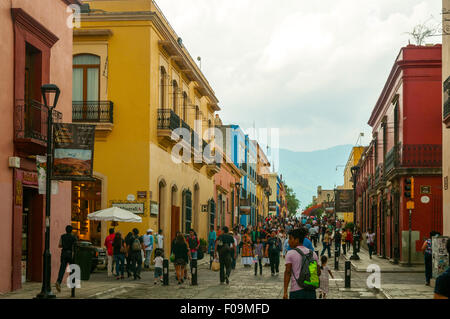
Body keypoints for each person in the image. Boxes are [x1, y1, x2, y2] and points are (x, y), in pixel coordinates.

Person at [283, 228, 321, 299]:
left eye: (290, 239)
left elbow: (288, 272)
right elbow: (318, 272)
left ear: (297, 240)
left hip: (296, 291)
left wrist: (285, 292)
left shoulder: (290, 253)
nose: (288, 241)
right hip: (311, 290)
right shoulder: (312, 253)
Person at [55, 225, 78, 292]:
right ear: (71, 230)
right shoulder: (74, 237)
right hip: (70, 254)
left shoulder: (62, 236)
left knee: (62, 269)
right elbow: (75, 247)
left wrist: (65, 245)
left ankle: (58, 281)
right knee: (72, 269)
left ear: (66, 230)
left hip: (64, 253)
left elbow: (59, 245)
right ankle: (71, 283)